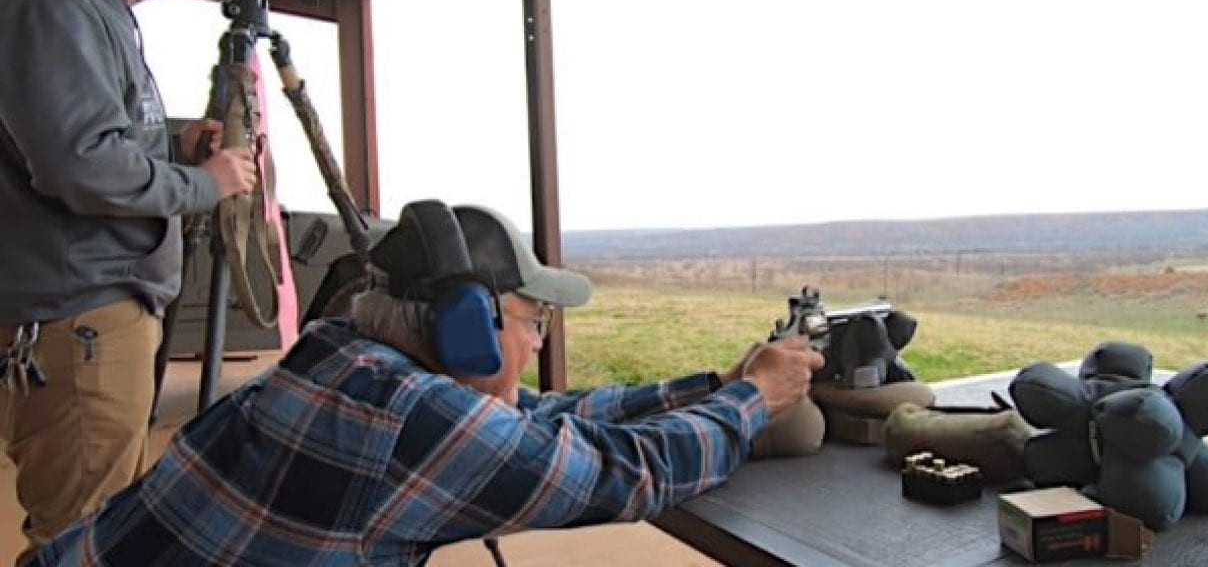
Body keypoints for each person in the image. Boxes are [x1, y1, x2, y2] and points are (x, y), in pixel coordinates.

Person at [26, 200, 823, 566]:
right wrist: (755, 401)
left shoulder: (341, 349)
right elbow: (628, 473)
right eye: (530, 320)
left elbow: (545, 416)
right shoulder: (420, 421)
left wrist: (713, 382)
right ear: (467, 328)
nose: (538, 341)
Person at [0, 0, 258, 561]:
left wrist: (172, 151)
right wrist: (203, 184)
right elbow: (79, 164)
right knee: (83, 543)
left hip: (85, 313)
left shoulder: (79, 7)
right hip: (82, 314)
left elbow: (84, 145)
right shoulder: (52, 1)